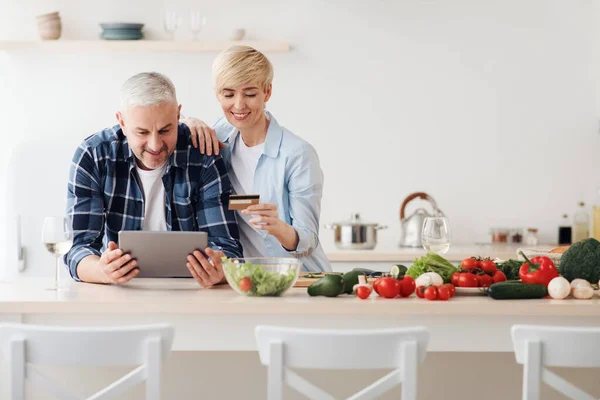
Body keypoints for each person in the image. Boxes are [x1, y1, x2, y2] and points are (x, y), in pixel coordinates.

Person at [65, 72, 243, 286]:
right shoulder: (94, 155)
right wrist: (102, 271)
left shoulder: (202, 154)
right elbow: (77, 249)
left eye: (165, 130)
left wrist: (220, 270)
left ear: (178, 116)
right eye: (141, 132)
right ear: (122, 121)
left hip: (190, 291)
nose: (155, 145)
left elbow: (228, 247)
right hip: (120, 290)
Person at [182, 46, 330, 272]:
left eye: (250, 94)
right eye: (228, 94)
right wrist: (189, 122)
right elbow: (168, 124)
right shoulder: (218, 136)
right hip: (247, 279)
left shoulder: (297, 154)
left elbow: (308, 240)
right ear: (217, 94)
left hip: (299, 279)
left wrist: (279, 227)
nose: (239, 105)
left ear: (267, 92)